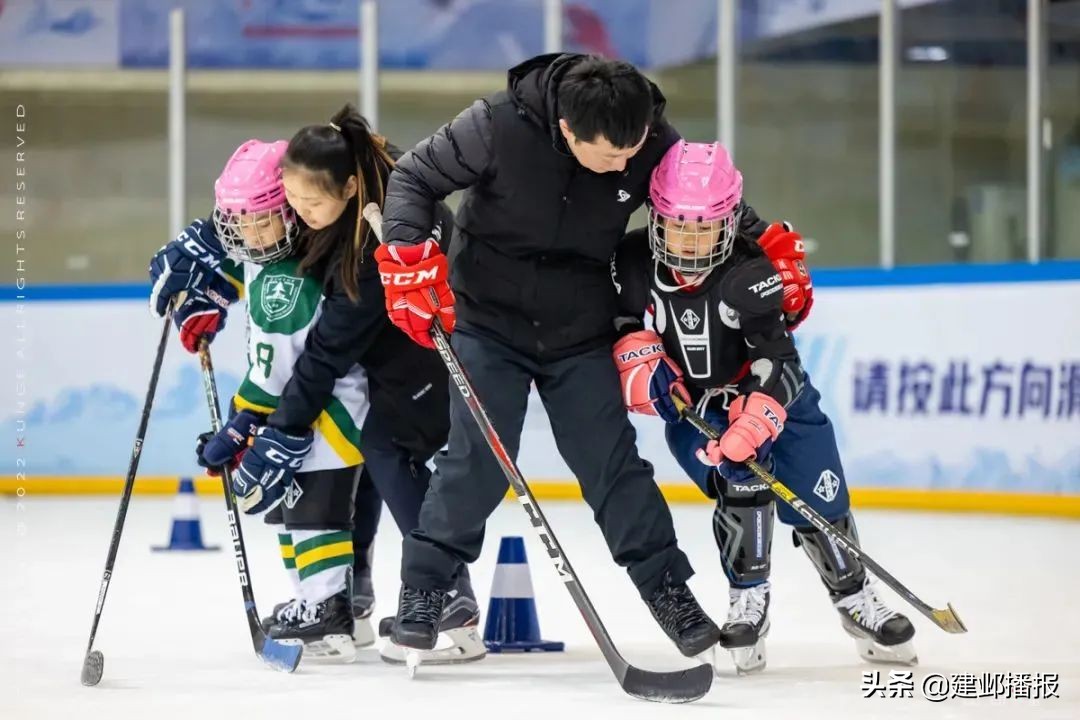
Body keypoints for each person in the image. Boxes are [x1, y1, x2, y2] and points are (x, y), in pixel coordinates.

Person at [373, 53, 805, 662]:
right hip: (488, 318)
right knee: (480, 456)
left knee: (610, 463)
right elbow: (413, 178)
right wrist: (405, 252)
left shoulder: (650, 140)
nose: (624, 165)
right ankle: (425, 588)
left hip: (580, 326)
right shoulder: (493, 125)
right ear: (569, 130)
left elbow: (706, 205)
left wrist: (769, 248)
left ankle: (668, 591)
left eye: (633, 150)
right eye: (609, 155)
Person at [146, 106, 484, 664]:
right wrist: (206, 242)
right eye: (293, 204)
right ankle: (354, 595)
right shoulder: (331, 186)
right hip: (391, 352)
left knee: (385, 449)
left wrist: (275, 426)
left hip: (436, 345)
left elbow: (323, 355)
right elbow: (274, 207)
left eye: (309, 206)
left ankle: (448, 591)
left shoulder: (376, 237)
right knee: (365, 468)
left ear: (350, 190)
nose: (300, 215)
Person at [609, 140, 916, 674]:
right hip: (699, 407)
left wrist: (759, 413)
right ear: (656, 217)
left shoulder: (751, 269)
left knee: (820, 496)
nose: (691, 239)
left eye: (706, 226)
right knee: (740, 481)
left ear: (729, 222)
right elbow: (615, 325)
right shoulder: (631, 262)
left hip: (778, 401)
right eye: (680, 224)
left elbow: (780, 357)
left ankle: (854, 597)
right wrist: (632, 357)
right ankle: (748, 600)